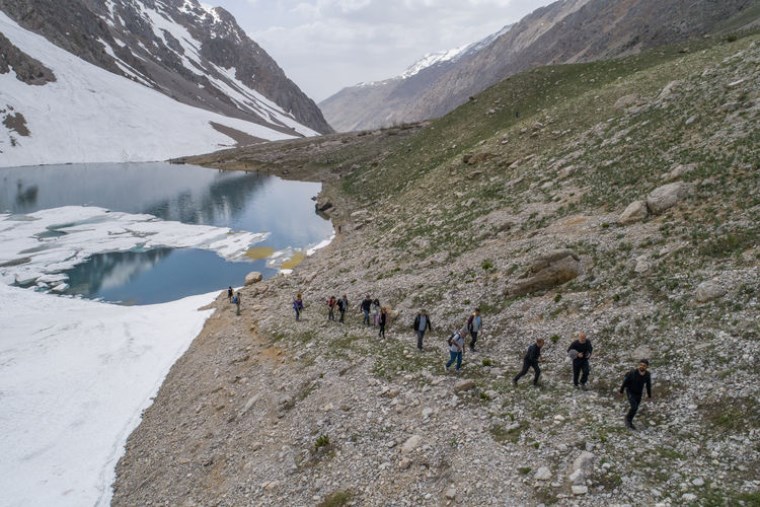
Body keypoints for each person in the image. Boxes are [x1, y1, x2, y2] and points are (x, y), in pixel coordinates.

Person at [620, 359, 652, 430]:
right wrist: (621, 391)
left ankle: (630, 422)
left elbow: (648, 385)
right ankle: (627, 419)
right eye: (641, 365)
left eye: (644, 366)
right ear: (638, 365)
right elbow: (625, 382)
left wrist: (649, 395)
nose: (642, 367)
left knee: (635, 408)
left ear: (647, 367)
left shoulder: (647, 375)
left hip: (638, 393)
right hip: (630, 391)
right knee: (634, 407)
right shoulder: (633, 372)